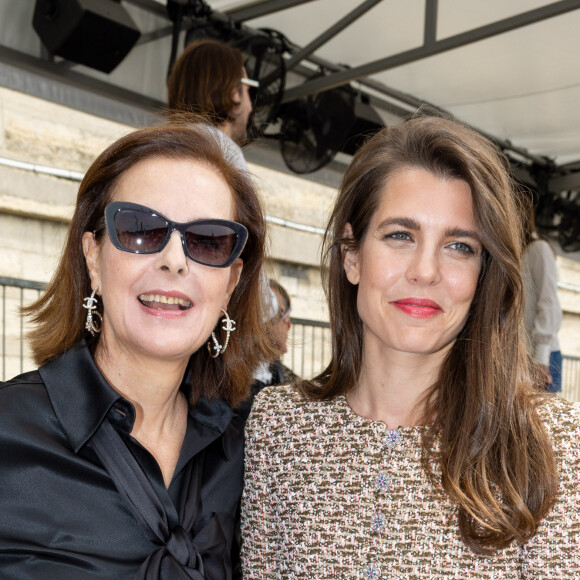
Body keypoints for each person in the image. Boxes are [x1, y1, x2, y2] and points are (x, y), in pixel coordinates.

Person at [241, 116, 580, 577]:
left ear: (483, 276)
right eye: (400, 235)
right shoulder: (277, 426)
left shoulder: (554, 444)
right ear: (352, 254)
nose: (426, 271)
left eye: (460, 246)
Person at [0, 122, 273, 579]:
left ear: (231, 282)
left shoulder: (253, 450)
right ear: (93, 257)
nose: (174, 259)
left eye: (207, 240)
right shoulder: (8, 434)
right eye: (141, 229)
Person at [166, 38, 256, 166]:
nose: (250, 108)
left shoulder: (161, 147)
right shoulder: (225, 153)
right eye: (248, 90)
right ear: (234, 91)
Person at [520, 195, 563, 392]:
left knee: (541, 421)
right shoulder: (513, 256)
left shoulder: (538, 249)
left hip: (539, 357)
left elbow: (549, 304)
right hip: (518, 356)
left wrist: (541, 359)